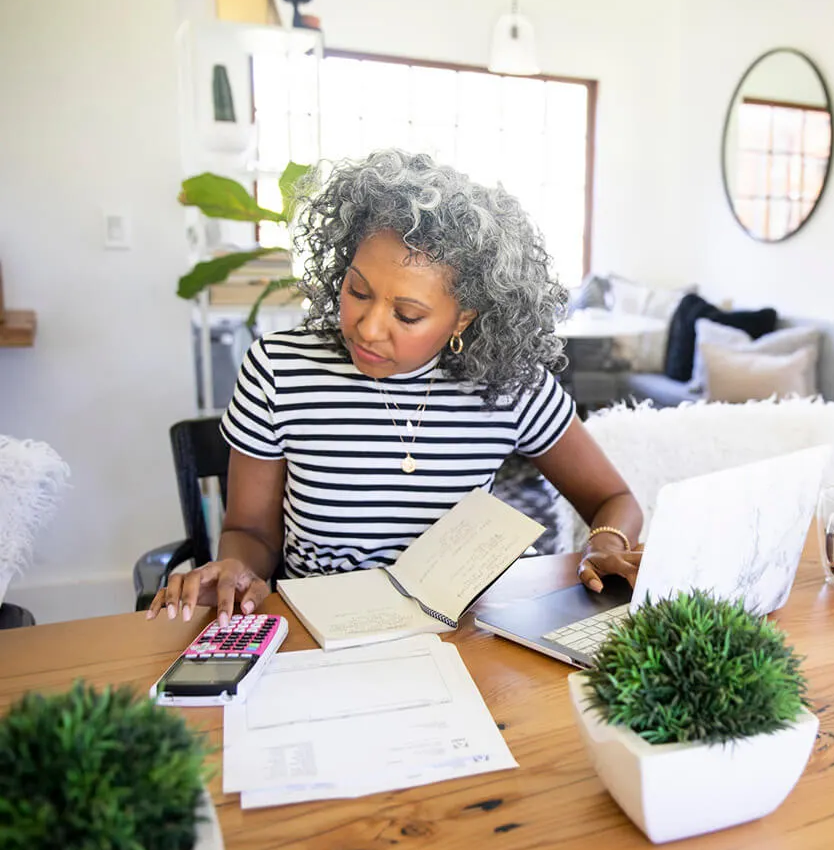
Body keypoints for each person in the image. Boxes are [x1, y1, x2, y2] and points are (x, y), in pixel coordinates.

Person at [147, 149, 643, 625]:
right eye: (357, 291)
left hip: (462, 634)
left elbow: (614, 500)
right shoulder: (280, 370)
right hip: (318, 632)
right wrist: (239, 570)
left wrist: (605, 543)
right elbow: (249, 532)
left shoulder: (510, 385)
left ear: (463, 317)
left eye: (407, 314)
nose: (367, 328)